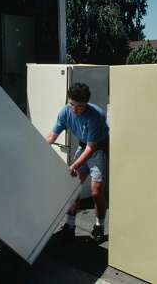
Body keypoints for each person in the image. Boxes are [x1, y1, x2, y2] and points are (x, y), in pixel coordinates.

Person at [45, 82, 109, 243]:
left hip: (98, 148)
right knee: (73, 188)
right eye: (71, 104)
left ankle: (99, 226)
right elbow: (51, 136)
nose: (74, 110)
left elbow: (91, 148)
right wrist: (37, 150)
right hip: (84, 146)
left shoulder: (96, 115)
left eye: (79, 106)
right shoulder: (65, 112)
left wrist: (74, 166)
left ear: (86, 103)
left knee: (96, 191)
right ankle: (70, 226)